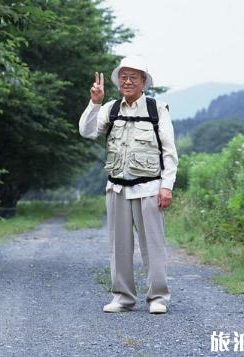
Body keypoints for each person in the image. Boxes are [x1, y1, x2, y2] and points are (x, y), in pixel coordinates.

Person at [78, 56, 178, 314]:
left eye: (134, 76)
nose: (128, 81)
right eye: (124, 76)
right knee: (118, 246)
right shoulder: (110, 109)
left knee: (153, 246)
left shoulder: (158, 109)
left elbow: (169, 152)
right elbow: (87, 132)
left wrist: (166, 186)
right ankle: (122, 297)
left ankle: (158, 298)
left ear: (144, 82)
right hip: (117, 189)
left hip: (149, 189)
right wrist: (94, 103)